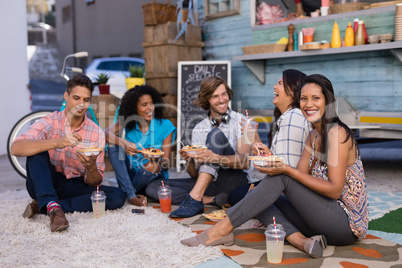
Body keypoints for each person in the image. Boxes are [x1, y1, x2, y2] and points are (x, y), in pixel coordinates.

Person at [180, 74, 369, 259]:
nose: (308, 104)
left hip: (344, 225)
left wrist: (284, 169)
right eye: (303, 98)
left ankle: (221, 230)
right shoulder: (313, 136)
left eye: (316, 98)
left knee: (281, 175)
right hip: (319, 218)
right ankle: (301, 241)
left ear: (328, 101)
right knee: (260, 195)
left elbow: (335, 190)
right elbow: (298, 179)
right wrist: (272, 159)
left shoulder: (337, 133)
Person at [11, 74, 126, 232]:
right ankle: (53, 209)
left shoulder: (96, 133)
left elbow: (95, 182)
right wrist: (58, 142)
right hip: (45, 181)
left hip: (76, 185)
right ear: (66, 96)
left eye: (86, 100)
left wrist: (91, 168)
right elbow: (16, 148)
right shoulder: (50, 121)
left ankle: (47, 204)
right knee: (36, 151)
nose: (81, 104)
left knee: (117, 196)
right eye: (76, 98)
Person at [146, 76, 252, 218]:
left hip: (235, 181)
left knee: (215, 134)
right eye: (215, 96)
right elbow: (195, 174)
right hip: (210, 185)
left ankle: (195, 199)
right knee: (154, 187)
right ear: (207, 99)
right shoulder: (199, 128)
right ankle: (213, 200)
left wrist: (215, 158)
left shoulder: (241, 121)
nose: (221, 100)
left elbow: (245, 162)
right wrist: (188, 160)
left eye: (224, 94)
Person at [228, 69, 311, 205]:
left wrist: (260, 189)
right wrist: (256, 140)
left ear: (292, 90)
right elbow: (281, 161)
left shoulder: (292, 118)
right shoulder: (289, 117)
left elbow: (284, 171)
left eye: (280, 83)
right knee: (236, 194)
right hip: (286, 182)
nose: (274, 86)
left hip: (291, 190)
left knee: (236, 196)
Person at [105, 85, 176, 207]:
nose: (150, 108)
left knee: (152, 166)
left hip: (152, 178)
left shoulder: (165, 126)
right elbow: (106, 133)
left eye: (152, 103)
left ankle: (128, 193)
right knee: (113, 146)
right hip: (131, 174)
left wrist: (156, 158)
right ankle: (132, 194)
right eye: (144, 105)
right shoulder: (128, 123)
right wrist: (124, 143)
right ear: (134, 108)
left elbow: (165, 164)